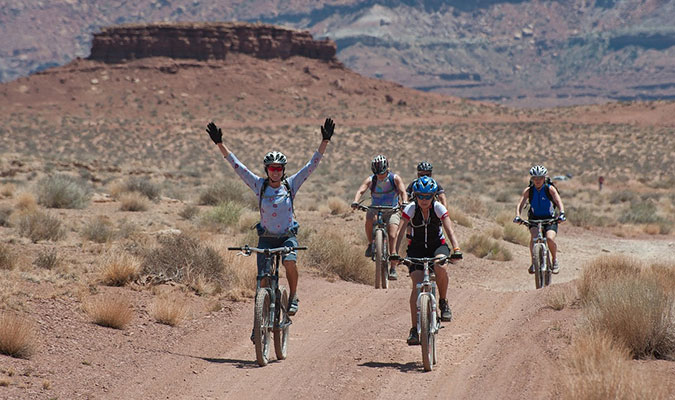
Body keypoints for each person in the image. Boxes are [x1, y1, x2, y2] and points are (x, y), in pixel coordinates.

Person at [206, 118, 335, 325]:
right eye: (272, 168)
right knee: (263, 280)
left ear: (284, 170)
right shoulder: (259, 185)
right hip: (266, 239)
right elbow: (237, 167)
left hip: (287, 238)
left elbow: (312, 166)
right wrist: (219, 143)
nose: (275, 171)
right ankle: (260, 323)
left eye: (279, 168)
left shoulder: (291, 185)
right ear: (266, 170)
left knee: (290, 261)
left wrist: (325, 141)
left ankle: (293, 296)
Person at [390, 176, 462, 346]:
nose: (424, 200)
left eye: (427, 196)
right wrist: (393, 253)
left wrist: (457, 249)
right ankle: (414, 329)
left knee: (440, 266)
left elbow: (449, 231)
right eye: (420, 196)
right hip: (416, 248)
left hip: (438, 246)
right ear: (415, 196)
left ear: (433, 196)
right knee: (416, 283)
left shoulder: (438, 208)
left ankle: (443, 302)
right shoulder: (410, 209)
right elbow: (400, 232)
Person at [351, 155, 407, 280]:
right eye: (377, 174)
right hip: (375, 208)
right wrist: (355, 201)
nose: (380, 176)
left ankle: (393, 266)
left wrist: (404, 202)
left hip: (392, 210)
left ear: (387, 169)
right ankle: (371, 244)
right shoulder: (371, 180)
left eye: (382, 173)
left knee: (393, 235)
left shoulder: (394, 178)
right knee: (369, 219)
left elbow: (403, 192)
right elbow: (361, 190)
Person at [513, 165, 566, 274]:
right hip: (534, 219)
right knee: (534, 237)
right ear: (532, 179)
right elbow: (520, 204)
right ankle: (534, 262)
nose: (537, 180)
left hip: (550, 218)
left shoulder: (549, 188)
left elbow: (558, 201)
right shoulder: (529, 190)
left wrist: (561, 213)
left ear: (544, 178)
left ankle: (554, 260)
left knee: (550, 238)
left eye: (540, 178)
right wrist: (518, 216)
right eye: (535, 178)